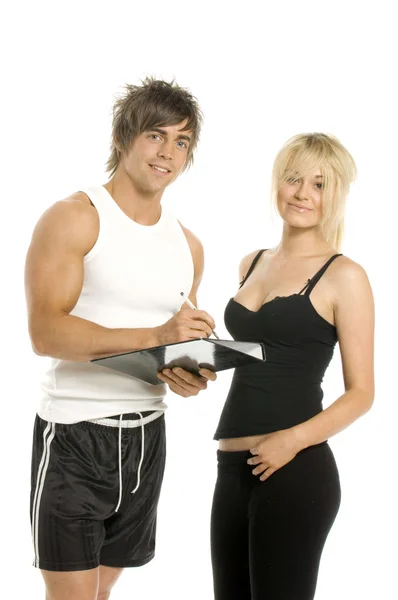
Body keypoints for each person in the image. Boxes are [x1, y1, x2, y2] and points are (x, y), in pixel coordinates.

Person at [25, 77, 217, 600]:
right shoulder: (75, 217)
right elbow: (45, 332)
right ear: (123, 138)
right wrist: (157, 333)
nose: (168, 153)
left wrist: (186, 370)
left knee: (101, 593)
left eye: (182, 142)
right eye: (156, 135)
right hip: (75, 433)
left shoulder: (189, 245)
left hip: (148, 436)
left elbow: (170, 347)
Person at [208, 133, 375, 599]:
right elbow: (259, 353)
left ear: (337, 196)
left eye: (320, 184)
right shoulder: (251, 262)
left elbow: (362, 392)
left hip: (295, 470)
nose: (303, 193)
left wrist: (293, 440)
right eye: (293, 179)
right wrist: (196, 358)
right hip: (231, 468)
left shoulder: (345, 276)